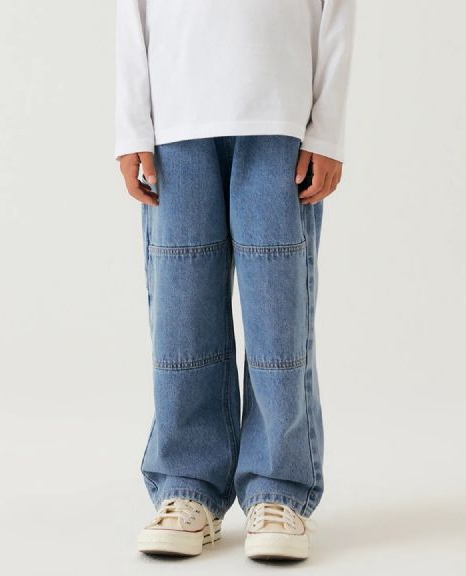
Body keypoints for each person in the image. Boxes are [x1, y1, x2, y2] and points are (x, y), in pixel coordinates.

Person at [115, 0, 355, 561]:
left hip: (281, 117)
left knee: (279, 320)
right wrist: (131, 125)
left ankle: (279, 489)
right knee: (182, 321)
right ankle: (187, 485)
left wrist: (328, 130)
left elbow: (339, 9)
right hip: (175, 118)